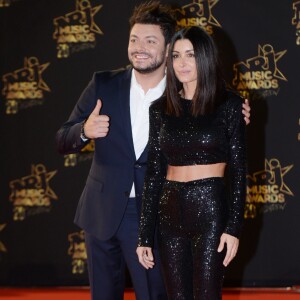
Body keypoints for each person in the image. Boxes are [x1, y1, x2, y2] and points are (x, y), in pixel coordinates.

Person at [56, 1, 250, 299]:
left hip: (156, 212)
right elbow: (61, 138)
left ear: (167, 47)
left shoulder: (181, 95)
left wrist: (235, 113)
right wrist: (83, 131)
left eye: (150, 41)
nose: (139, 47)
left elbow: (222, 138)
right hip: (101, 211)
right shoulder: (103, 84)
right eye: (134, 39)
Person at [136, 26, 247, 300]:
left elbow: (239, 170)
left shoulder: (230, 104)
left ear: (205, 58)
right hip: (169, 211)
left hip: (210, 210)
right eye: (175, 56)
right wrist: (144, 235)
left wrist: (233, 228)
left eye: (190, 55)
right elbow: (154, 173)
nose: (182, 63)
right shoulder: (160, 109)